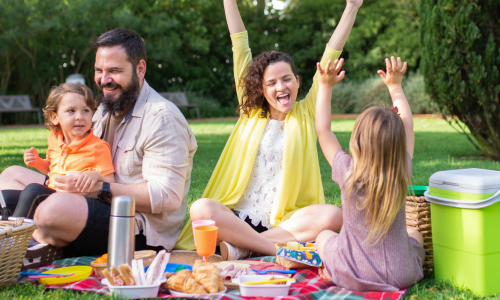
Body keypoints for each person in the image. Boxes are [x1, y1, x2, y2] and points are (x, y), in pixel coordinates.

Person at [179, 0, 363, 260]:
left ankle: (243, 247)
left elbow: (330, 55)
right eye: (272, 82)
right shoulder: (250, 112)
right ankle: (276, 250)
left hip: (284, 223)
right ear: (261, 89)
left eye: (287, 79)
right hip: (237, 217)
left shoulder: (307, 112)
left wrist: (351, 8)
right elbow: (239, 45)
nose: (280, 87)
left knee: (334, 215)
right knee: (200, 209)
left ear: (298, 82)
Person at [0, 28, 197, 264]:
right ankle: (40, 239)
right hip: (87, 198)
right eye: (99, 70)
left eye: (114, 71)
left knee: (52, 210)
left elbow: (168, 196)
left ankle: (26, 242)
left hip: (136, 226)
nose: (104, 80)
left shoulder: (162, 117)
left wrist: (100, 188)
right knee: (9, 176)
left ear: (140, 69)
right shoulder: (105, 107)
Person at [314, 56, 425, 291]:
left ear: (357, 140)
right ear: (398, 144)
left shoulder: (347, 171)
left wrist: (325, 87)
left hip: (351, 273)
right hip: (400, 275)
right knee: (414, 232)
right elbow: (408, 126)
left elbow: (323, 132)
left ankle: (331, 269)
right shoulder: (401, 168)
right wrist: (395, 86)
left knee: (323, 236)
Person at [11, 83, 115, 220]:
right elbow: (51, 169)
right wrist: (37, 162)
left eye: (86, 110)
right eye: (71, 110)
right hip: (53, 193)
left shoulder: (98, 147)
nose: (80, 116)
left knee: (32, 191)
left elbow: (111, 182)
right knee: (7, 197)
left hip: (75, 203)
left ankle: (14, 237)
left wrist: (95, 175)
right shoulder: (54, 139)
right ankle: (10, 230)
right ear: (54, 117)